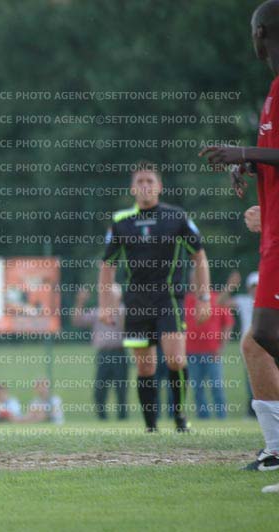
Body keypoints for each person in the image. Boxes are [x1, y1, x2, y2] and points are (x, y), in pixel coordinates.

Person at [199, 0, 279, 477]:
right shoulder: (273, 90)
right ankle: (276, 449)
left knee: (264, 335)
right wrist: (248, 163)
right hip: (271, 234)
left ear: (262, 33)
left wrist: (244, 150)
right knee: (257, 341)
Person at [99, 163, 211, 432]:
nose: (145, 186)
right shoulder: (121, 221)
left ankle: (180, 418)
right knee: (145, 367)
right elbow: (107, 266)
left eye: (150, 181)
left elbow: (199, 257)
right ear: (132, 188)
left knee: (176, 359)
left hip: (168, 298)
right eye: (140, 181)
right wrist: (106, 305)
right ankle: (151, 427)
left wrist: (204, 297)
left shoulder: (176, 217)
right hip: (136, 302)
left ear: (159, 187)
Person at [71, 285, 128, 420]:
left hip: (119, 353)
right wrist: (80, 301)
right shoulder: (99, 312)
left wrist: (115, 307)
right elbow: (77, 321)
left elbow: (124, 327)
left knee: (121, 391)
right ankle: (103, 420)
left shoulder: (123, 310)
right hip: (103, 354)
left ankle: (122, 420)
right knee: (99, 391)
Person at [184, 289, 234, 419]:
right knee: (197, 389)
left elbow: (228, 324)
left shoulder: (216, 298)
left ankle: (222, 418)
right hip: (191, 353)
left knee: (216, 386)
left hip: (212, 352)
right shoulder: (186, 300)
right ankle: (203, 419)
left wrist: (221, 347)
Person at [218, 269, 259, 417]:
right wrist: (230, 287)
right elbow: (220, 303)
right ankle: (252, 412)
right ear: (248, 288)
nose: (255, 290)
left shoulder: (269, 301)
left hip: (267, 347)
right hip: (248, 348)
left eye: (258, 286)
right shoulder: (244, 300)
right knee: (251, 381)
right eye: (253, 287)